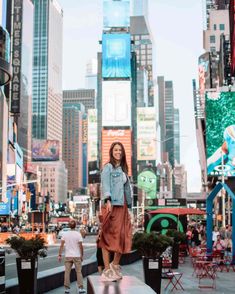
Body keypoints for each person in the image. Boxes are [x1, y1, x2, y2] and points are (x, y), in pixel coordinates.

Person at [98, 141, 133, 282]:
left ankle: (115, 264)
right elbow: (105, 184)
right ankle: (107, 270)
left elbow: (126, 190)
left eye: (120, 150)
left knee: (124, 236)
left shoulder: (123, 170)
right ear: (111, 152)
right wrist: (107, 200)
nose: (118, 152)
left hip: (123, 206)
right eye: (115, 150)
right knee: (107, 237)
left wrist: (129, 206)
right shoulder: (108, 168)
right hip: (112, 206)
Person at [58, 220, 85, 294]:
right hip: (76, 256)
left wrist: (59, 255)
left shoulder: (65, 234)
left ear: (69, 226)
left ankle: (66, 289)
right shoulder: (78, 234)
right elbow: (81, 246)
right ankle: (80, 288)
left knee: (67, 272)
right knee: (78, 272)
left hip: (68, 256)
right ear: (75, 226)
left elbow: (61, 246)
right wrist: (81, 255)